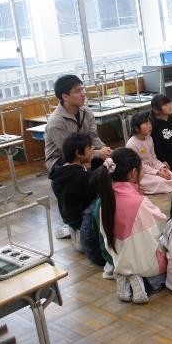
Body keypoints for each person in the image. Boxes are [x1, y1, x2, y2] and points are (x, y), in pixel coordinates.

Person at [96, 148, 167, 304]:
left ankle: (125, 275)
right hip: (147, 267)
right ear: (133, 173)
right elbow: (163, 226)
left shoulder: (105, 201)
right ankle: (142, 281)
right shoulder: (139, 203)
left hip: (119, 258)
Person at [44, 74, 111, 238]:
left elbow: (93, 137)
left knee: (110, 164)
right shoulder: (56, 122)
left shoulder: (86, 112)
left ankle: (104, 208)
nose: (83, 94)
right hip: (62, 161)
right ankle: (74, 223)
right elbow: (68, 151)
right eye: (77, 91)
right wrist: (98, 154)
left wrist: (106, 151)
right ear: (65, 96)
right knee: (77, 175)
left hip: (86, 154)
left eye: (82, 89)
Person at [49, 132, 98, 252]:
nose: (92, 149)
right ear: (78, 153)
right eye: (89, 147)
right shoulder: (81, 176)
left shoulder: (59, 172)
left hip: (72, 223)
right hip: (85, 227)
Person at [125, 112, 172, 195]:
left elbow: (153, 158)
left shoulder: (149, 138)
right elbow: (140, 165)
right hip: (141, 173)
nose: (150, 125)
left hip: (153, 168)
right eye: (146, 123)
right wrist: (157, 173)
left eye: (149, 122)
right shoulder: (131, 144)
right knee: (161, 182)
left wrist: (161, 167)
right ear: (136, 128)